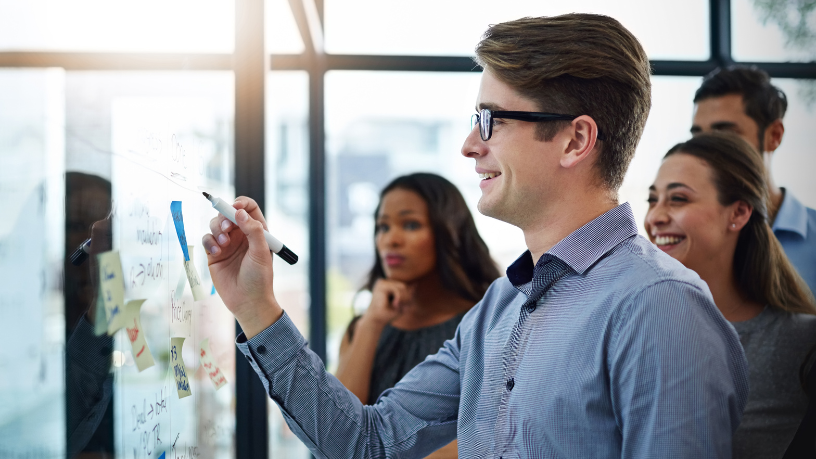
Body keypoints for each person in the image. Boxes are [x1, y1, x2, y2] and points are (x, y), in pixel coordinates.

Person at [203, 14, 749, 457]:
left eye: (491, 120)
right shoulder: (500, 307)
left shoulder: (661, 308)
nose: (469, 144)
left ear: (575, 140)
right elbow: (367, 443)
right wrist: (256, 307)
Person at [645, 132, 816, 459]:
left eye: (678, 199)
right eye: (652, 200)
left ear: (738, 213)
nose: (655, 217)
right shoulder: (634, 329)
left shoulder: (803, 345)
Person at [335, 173, 499, 458]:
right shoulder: (363, 327)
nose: (391, 240)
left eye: (410, 224)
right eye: (382, 227)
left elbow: (491, 436)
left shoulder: (485, 322)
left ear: (448, 232)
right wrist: (371, 324)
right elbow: (338, 430)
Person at [691, 66, 816, 295]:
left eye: (724, 134)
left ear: (774, 135)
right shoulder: (686, 239)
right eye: (698, 136)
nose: (705, 148)